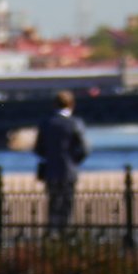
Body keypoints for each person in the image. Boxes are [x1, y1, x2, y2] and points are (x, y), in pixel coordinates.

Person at [33, 90, 89, 231]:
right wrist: (73, 161)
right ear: (72, 105)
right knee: (67, 203)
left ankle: (53, 231)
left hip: (51, 169)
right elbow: (84, 149)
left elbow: (38, 148)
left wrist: (50, 157)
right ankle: (66, 231)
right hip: (69, 170)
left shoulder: (46, 123)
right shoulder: (75, 123)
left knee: (53, 203)